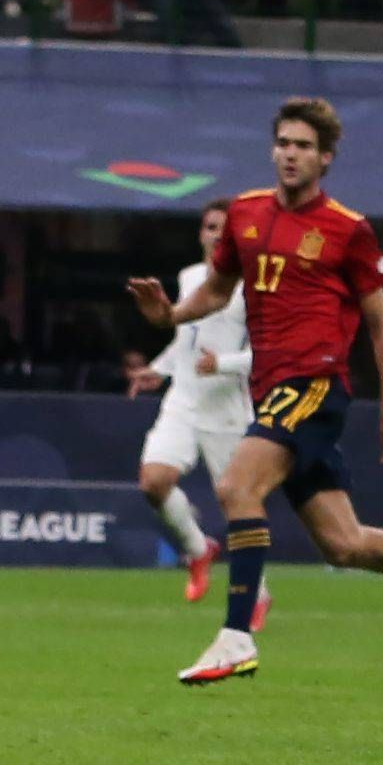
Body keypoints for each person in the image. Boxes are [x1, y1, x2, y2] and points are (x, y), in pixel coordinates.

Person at [128, 97, 383, 685]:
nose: (290, 154)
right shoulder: (245, 214)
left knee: (236, 484)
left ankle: (235, 636)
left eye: (303, 146)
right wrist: (169, 315)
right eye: (283, 143)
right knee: (343, 545)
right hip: (274, 391)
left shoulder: (347, 229)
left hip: (315, 384)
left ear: (325, 158)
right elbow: (218, 291)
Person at [131, 197, 255, 609]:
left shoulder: (253, 286)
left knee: (239, 504)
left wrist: (224, 363)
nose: (215, 234)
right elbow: (184, 340)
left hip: (226, 409)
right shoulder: (189, 278)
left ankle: (258, 595)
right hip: (183, 399)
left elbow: (268, 353)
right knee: (154, 481)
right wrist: (159, 368)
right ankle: (198, 550)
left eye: (223, 228)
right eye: (209, 227)